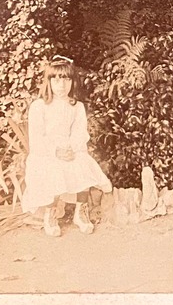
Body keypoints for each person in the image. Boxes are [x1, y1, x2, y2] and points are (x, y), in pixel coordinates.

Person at [19, 57, 112, 236]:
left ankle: (81, 211)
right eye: (56, 80)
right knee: (51, 168)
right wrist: (55, 151)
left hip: (70, 149)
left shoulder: (76, 106)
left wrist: (72, 148)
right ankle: (51, 213)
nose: (61, 85)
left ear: (72, 82)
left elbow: (79, 132)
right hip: (46, 152)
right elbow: (37, 138)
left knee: (83, 163)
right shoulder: (39, 106)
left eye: (66, 79)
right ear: (49, 82)